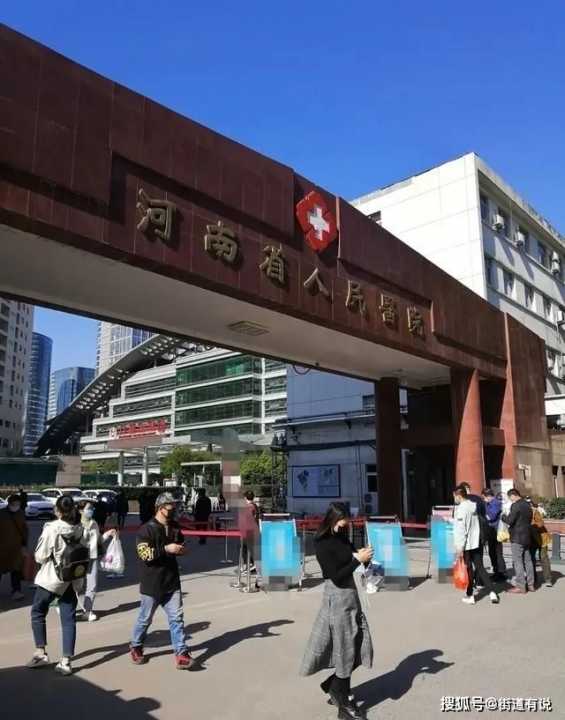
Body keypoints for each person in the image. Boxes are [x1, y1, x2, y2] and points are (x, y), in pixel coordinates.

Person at [300, 502, 373, 720]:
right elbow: (336, 576)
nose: (346, 524)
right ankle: (344, 704)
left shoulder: (341, 535)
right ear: (333, 518)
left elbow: (352, 557)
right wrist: (357, 560)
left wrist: (364, 557)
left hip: (351, 595)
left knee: (358, 644)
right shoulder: (322, 542)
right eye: (343, 521)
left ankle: (334, 685)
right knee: (345, 648)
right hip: (337, 597)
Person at [130, 492, 195, 670]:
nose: (174, 509)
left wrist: (181, 549)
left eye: (175, 506)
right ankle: (136, 645)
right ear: (160, 508)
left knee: (177, 619)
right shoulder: (146, 530)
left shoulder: (174, 526)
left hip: (172, 582)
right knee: (145, 619)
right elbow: (145, 555)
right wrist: (166, 549)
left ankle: (181, 653)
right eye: (170, 506)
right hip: (152, 583)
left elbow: (181, 543)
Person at [27, 495, 88, 676]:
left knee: (38, 612)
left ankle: (40, 652)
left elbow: (40, 556)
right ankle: (66, 661)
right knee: (68, 620)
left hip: (51, 579)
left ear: (58, 511)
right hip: (70, 579)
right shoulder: (79, 528)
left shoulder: (52, 529)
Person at [453, 487, 499, 605]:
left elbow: (461, 530)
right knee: (480, 567)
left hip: (467, 544)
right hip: (477, 541)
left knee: (468, 569)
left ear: (459, 496)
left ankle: (470, 595)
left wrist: (459, 547)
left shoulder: (462, 509)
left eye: (455, 496)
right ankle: (492, 592)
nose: (454, 499)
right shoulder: (473, 506)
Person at [77, 501, 117, 621]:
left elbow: (98, 541)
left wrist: (108, 534)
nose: (91, 510)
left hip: (92, 558)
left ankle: (87, 611)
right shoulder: (75, 524)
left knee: (92, 585)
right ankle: (67, 609)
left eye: (92, 508)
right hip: (78, 559)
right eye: (88, 508)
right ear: (81, 510)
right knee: (76, 586)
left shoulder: (94, 523)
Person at [501, 488, 535, 594]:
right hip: (527, 536)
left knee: (518, 561)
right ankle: (531, 584)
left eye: (510, 498)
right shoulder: (527, 504)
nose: (510, 500)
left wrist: (503, 516)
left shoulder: (516, 505)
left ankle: (521, 586)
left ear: (513, 495)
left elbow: (510, 520)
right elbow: (529, 519)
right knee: (528, 561)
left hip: (517, 536)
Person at [0, 493, 28, 600]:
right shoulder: (1, 514)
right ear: (9, 503)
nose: (16, 506)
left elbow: (24, 530)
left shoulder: (21, 514)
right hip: (2, 548)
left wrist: (24, 545)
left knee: (16, 570)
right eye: (14, 504)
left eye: (18, 504)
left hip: (16, 548)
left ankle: (16, 591)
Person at [481, 488, 507, 581]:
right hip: (490, 531)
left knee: (497, 553)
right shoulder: (488, 503)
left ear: (487, 496)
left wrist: (484, 511)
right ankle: (496, 571)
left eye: (483, 497)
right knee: (492, 552)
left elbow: (491, 516)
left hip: (496, 531)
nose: (483, 499)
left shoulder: (496, 503)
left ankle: (501, 572)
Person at [528, 499, 552, 588]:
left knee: (543, 558)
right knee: (530, 559)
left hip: (541, 538)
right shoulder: (522, 512)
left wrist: (532, 525)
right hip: (531, 539)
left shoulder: (535, 511)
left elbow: (541, 523)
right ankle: (533, 579)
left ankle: (548, 579)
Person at [238, 491, 260, 571]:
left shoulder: (248, 507)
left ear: (245, 497)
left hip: (248, 530)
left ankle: (249, 564)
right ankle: (252, 564)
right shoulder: (255, 505)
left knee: (244, 547)